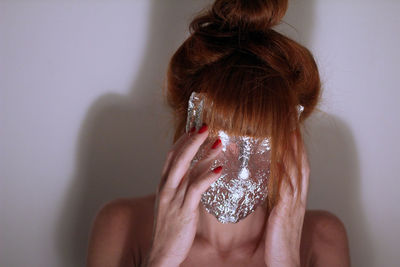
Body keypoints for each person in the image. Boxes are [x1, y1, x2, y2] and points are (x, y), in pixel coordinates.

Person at [86, 0, 351, 266]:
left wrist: (288, 262)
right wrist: (161, 257)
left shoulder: (322, 240)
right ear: (190, 130)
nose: (244, 168)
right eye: (227, 140)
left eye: (260, 144)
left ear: (288, 143)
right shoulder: (121, 228)